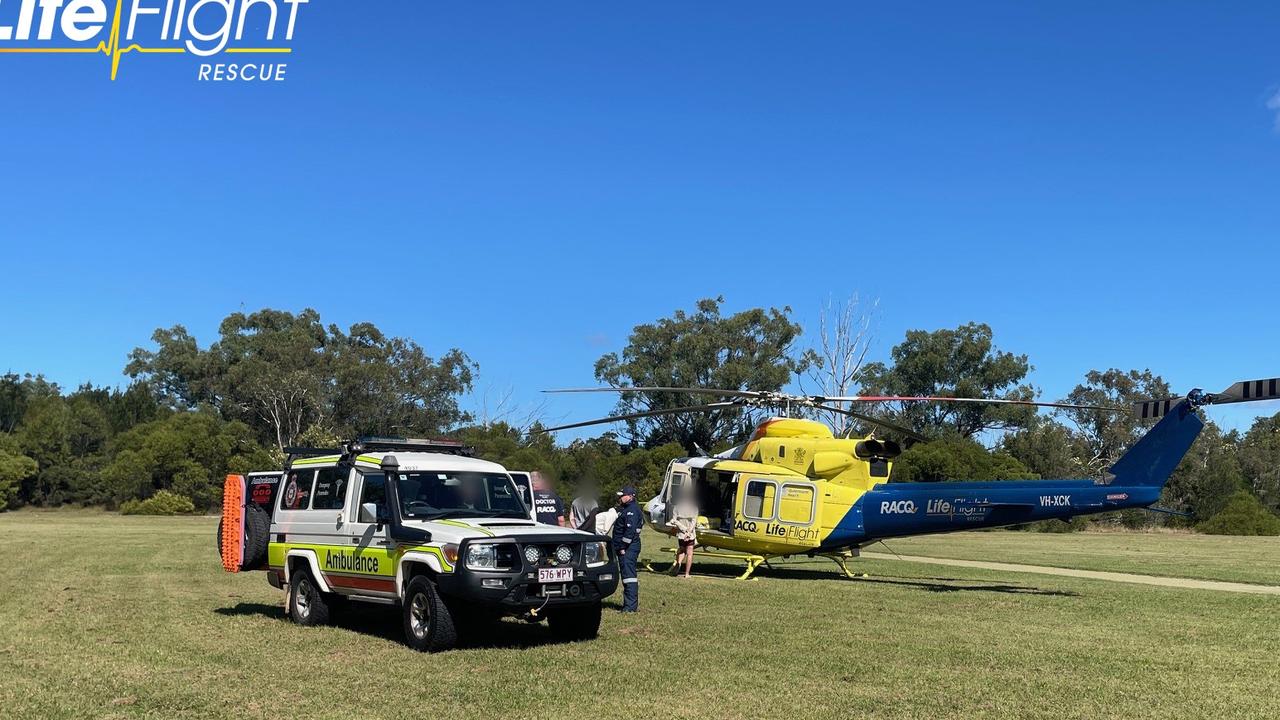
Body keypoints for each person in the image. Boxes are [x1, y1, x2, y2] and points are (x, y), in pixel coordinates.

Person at [612, 485, 643, 612]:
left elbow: (629, 532)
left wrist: (623, 547)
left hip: (628, 548)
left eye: (622, 495)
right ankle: (629, 605)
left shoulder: (632, 510)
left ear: (630, 496)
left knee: (629, 576)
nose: (620, 497)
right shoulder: (626, 509)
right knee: (626, 575)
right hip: (626, 547)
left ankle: (630, 607)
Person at [668, 491, 698, 578]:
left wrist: (683, 530)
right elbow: (694, 522)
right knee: (689, 553)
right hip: (690, 534)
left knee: (681, 550)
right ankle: (687, 574)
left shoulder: (676, 507)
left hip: (681, 534)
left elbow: (674, 521)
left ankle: (678, 563)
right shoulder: (694, 508)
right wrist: (688, 532)